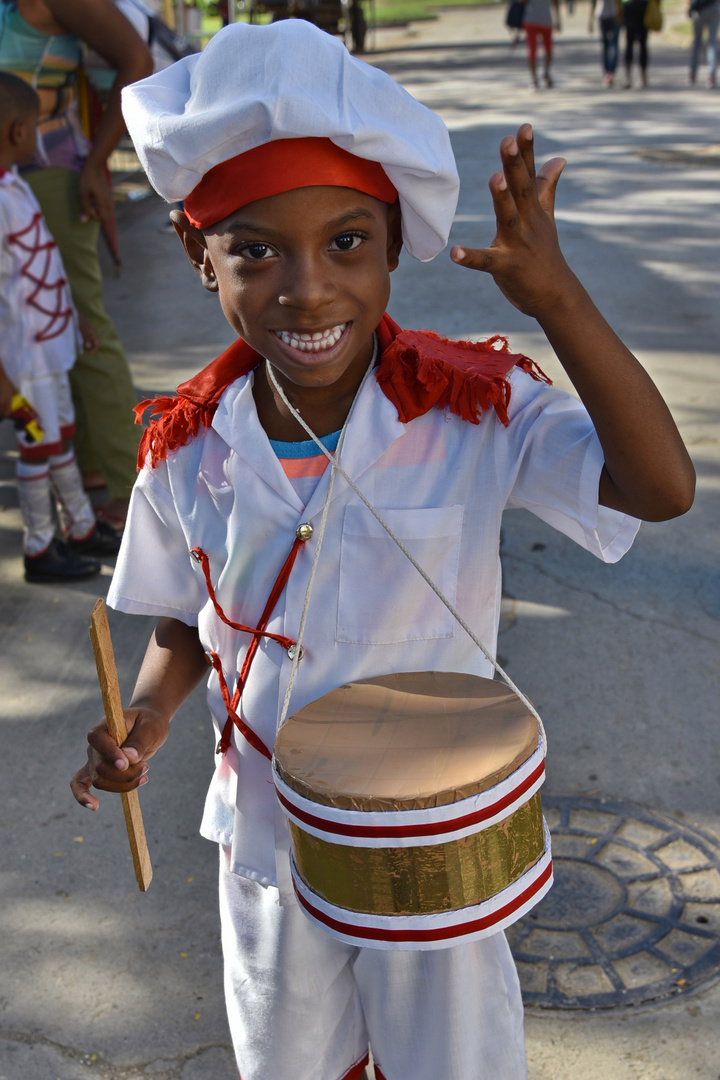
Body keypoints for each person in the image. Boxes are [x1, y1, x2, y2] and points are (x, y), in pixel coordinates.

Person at [70, 21, 695, 1080]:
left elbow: (660, 487)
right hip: (267, 839)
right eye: (255, 251)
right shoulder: (184, 450)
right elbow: (188, 620)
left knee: (449, 1063)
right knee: (290, 1063)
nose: (306, 290)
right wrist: (149, 717)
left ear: (396, 241)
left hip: (430, 846)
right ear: (196, 251)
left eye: (346, 242)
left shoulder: (472, 409)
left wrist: (559, 302)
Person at [0, 0, 153, 532]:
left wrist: (96, 163)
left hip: (51, 176)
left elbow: (136, 60)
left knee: (78, 323)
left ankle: (128, 488)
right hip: (12, 180)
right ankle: (88, 474)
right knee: (32, 331)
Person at [0, 72, 121, 580]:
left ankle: (76, 526)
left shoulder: (15, 184)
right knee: (37, 443)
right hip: (25, 367)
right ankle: (39, 546)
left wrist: (74, 325)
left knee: (59, 437)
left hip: (52, 352)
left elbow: (41, 268)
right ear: (16, 132)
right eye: (32, 125)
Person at [521, 0, 561, 88]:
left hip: (533, 19)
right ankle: (544, 73)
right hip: (543, 20)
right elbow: (556, 3)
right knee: (546, 48)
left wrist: (558, 20)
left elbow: (522, 2)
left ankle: (535, 79)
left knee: (536, 49)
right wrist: (558, 20)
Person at [688, 0, 719, 86]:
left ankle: (692, 75)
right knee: (712, 42)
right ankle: (712, 76)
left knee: (697, 43)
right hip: (713, 7)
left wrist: (690, 8)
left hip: (698, 9)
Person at [590, 0, 622, 85]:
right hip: (612, 14)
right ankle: (609, 72)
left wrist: (590, 19)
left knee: (607, 46)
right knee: (613, 45)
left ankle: (608, 72)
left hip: (603, 14)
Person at [620, 0, 650, 86]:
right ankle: (639, 76)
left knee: (634, 43)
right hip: (639, 5)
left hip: (632, 5)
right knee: (640, 43)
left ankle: (630, 76)